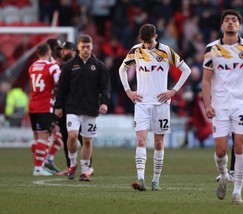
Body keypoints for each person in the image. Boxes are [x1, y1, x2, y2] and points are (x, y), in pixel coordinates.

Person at [119, 24, 191, 191]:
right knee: (141, 139)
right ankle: (140, 179)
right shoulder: (136, 50)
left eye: (149, 42)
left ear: (156, 36)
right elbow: (122, 69)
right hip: (142, 103)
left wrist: (173, 91)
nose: (147, 45)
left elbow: (186, 70)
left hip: (161, 104)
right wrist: (128, 90)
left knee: (158, 143)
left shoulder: (166, 51)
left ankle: (156, 181)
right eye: (144, 42)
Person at [202, 9, 243, 205]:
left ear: (239, 25)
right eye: (227, 20)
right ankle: (223, 175)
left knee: (240, 146)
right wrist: (208, 104)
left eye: (234, 20)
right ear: (222, 25)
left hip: (241, 105)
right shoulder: (211, 48)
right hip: (220, 106)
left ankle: (237, 192)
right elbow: (206, 81)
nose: (230, 23)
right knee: (220, 151)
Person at [54, 34, 110, 181]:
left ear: (92, 47)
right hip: (73, 108)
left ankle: (85, 171)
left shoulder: (99, 66)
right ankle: (72, 164)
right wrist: (58, 105)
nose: (86, 49)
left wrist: (104, 102)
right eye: (83, 47)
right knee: (72, 135)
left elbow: (105, 87)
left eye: (88, 47)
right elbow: (61, 88)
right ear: (78, 48)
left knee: (87, 140)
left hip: (91, 109)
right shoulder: (69, 66)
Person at [28, 43, 61, 176]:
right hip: (45, 105)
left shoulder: (32, 67)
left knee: (36, 137)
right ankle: (38, 169)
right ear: (48, 53)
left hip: (33, 105)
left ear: (38, 54)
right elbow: (59, 82)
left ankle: (38, 165)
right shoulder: (52, 67)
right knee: (44, 137)